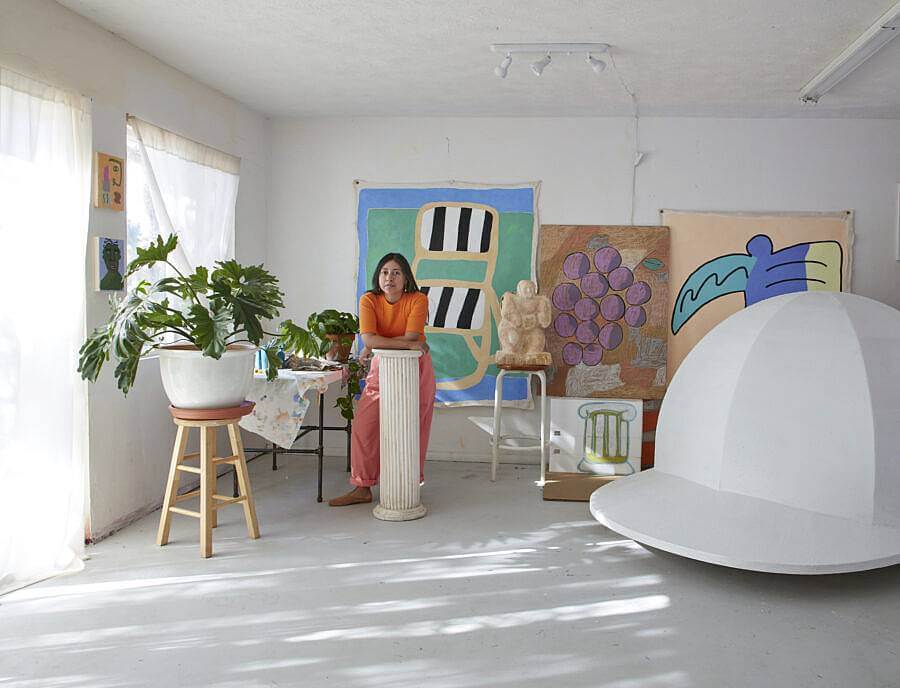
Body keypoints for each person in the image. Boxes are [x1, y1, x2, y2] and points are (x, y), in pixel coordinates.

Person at [328, 253, 436, 506]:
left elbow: (410, 338)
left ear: (406, 277)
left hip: (416, 368)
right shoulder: (369, 300)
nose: (390, 277)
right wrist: (394, 344)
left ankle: (408, 483)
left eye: (397, 272)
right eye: (385, 272)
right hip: (382, 366)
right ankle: (362, 487)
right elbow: (373, 340)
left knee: (413, 427)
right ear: (378, 276)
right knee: (364, 426)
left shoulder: (418, 299)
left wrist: (382, 342)